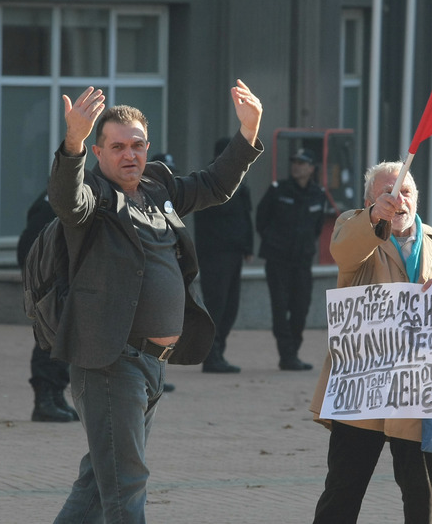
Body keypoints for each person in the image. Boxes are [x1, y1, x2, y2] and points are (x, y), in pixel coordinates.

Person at [50, 80, 263, 523]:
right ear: (98, 153)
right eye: (117, 147)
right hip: (112, 362)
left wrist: (248, 133)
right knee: (126, 486)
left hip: (152, 364)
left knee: (98, 483)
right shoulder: (94, 199)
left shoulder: (157, 188)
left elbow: (213, 185)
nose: (130, 154)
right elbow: (67, 201)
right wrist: (72, 141)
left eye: (138, 145)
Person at [309, 161, 432, 524]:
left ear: (417, 201)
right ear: (369, 201)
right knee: (343, 490)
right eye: (387, 194)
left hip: (416, 388)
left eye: (405, 192)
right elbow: (344, 253)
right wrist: (372, 218)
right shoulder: (354, 227)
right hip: (362, 383)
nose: (398, 201)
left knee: (419, 494)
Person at [256, 148, 326, 370]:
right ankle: (286, 355)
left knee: (301, 307)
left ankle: (293, 351)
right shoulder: (278, 190)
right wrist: (274, 241)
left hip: (302, 262)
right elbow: (261, 220)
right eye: (294, 162)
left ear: (311, 168)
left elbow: (317, 228)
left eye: (302, 163)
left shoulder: (318, 194)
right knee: (280, 307)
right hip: (278, 260)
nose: (296, 166)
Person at [17, 189, 80, 422]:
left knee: (64, 341)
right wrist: (41, 282)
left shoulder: (67, 198)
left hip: (66, 282)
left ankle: (56, 396)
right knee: (48, 340)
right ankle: (44, 400)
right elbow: (29, 246)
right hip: (51, 286)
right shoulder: (48, 204)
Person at [194, 137, 254, 373]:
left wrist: (248, 247)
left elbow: (244, 216)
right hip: (215, 253)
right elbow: (221, 210)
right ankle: (211, 355)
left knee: (231, 306)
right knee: (216, 305)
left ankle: (219, 351)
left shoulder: (238, 178)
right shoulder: (211, 179)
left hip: (234, 252)